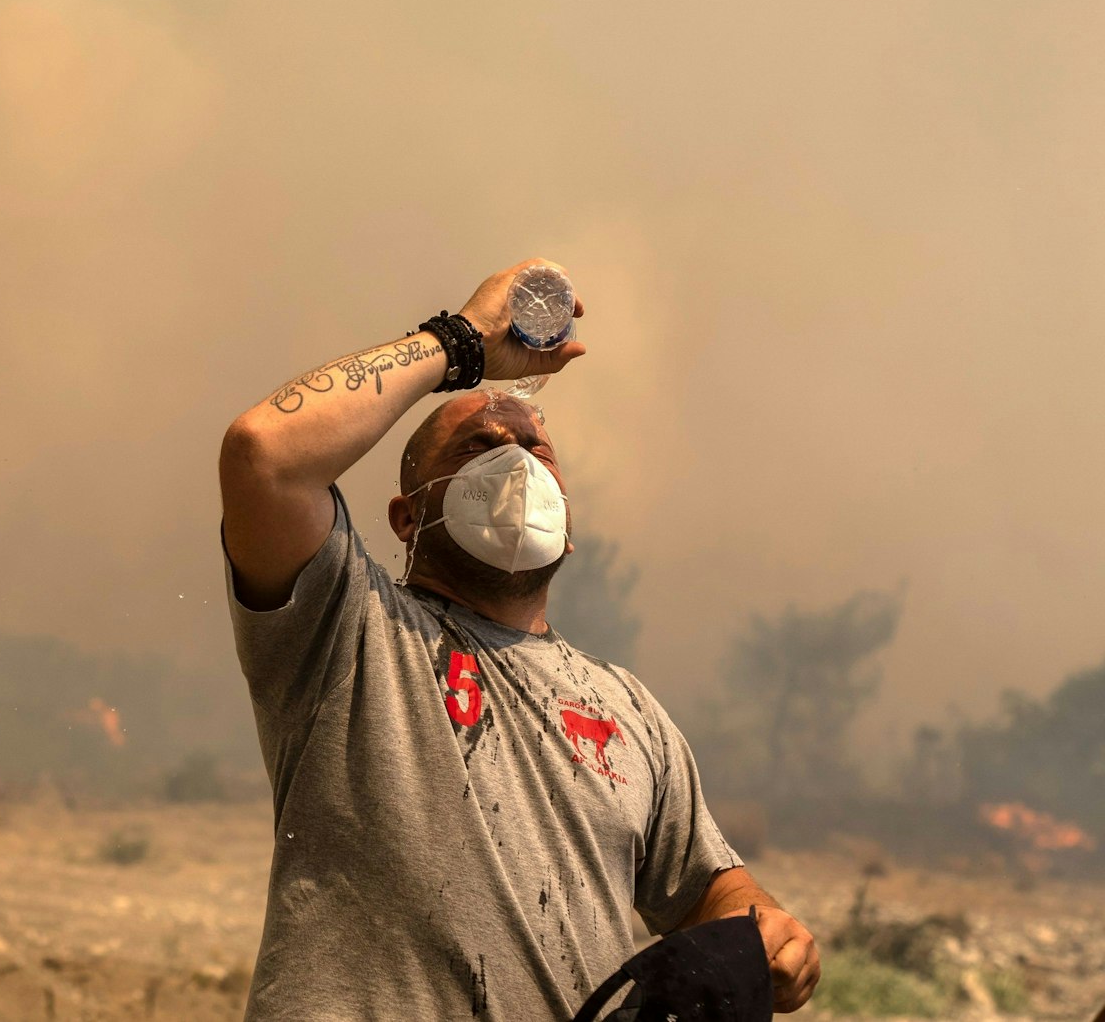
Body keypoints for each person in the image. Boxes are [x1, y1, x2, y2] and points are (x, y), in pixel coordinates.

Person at [217, 259, 820, 1020]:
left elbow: (707, 885)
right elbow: (262, 453)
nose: (514, 456)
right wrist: (462, 342)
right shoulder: (349, 632)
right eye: (477, 445)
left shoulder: (629, 709)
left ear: (566, 524)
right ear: (407, 518)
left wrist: (765, 930)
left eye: (536, 448)